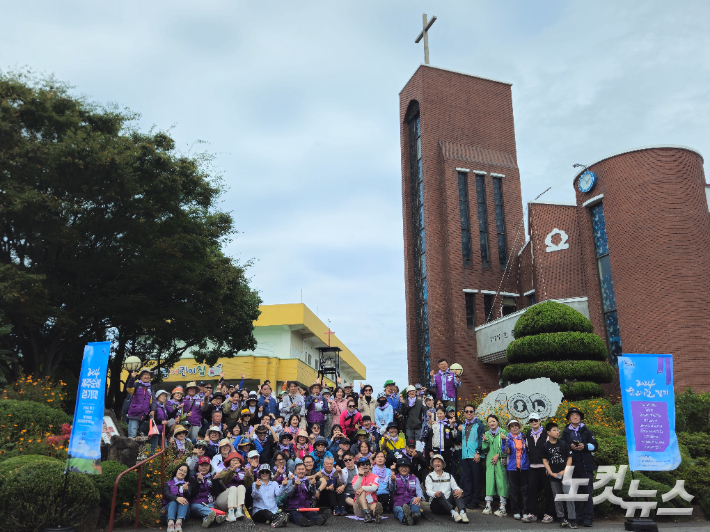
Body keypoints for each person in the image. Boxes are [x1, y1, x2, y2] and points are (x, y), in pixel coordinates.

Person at [561, 407, 597, 528]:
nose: (575, 417)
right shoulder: (566, 432)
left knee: (587, 492)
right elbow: (561, 447)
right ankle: (577, 516)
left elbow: (595, 446)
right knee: (574, 492)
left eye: (577, 415)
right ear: (569, 418)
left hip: (586, 465)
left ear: (580, 417)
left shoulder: (587, 430)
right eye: (572, 415)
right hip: (572, 465)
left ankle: (588, 517)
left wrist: (585, 446)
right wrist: (570, 446)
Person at [541, 422, 576, 528]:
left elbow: (569, 458)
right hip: (553, 475)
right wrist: (551, 473)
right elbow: (545, 461)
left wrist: (564, 471)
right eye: (554, 430)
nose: (557, 432)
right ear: (548, 432)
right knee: (557, 497)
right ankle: (561, 519)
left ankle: (572, 519)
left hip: (565, 474)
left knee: (569, 496)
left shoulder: (563, 443)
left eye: (557, 430)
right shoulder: (545, 446)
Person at [526, 412, 554, 524]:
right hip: (533, 467)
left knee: (548, 491)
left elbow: (550, 451)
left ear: (540, 421)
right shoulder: (528, 434)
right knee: (532, 490)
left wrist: (549, 467)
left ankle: (549, 514)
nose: (533, 422)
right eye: (531, 421)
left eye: (535, 420)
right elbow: (527, 449)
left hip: (545, 467)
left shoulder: (546, 434)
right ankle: (532, 513)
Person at [425, 454, 468, 523]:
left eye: (439, 461)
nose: (437, 463)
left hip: (448, 503)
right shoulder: (429, 476)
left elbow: (455, 487)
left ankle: (462, 512)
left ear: (442, 464)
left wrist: (460, 491)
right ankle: (453, 513)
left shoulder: (449, 475)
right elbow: (428, 491)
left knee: (456, 491)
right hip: (437, 506)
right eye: (435, 461)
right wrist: (435, 494)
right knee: (439, 494)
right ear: (432, 464)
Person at [481, 414, 508, 517]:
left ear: (497, 422)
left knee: (502, 481)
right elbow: (484, 448)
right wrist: (485, 441)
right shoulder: (487, 434)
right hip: (490, 461)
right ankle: (488, 505)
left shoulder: (503, 432)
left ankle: (503, 507)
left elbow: (506, 448)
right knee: (489, 481)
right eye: (490, 422)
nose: (492, 423)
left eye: (493, 421)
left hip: (500, 461)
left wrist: (499, 455)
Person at [459, 404, 485, 510]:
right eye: (467, 411)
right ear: (464, 413)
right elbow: (458, 440)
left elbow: (481, 439)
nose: (469, 413)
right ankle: (468, 499)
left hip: (475, 455)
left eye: (471, 411)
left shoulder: (478, 424)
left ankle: (475, 501)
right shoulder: (463, 425)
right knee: (467, 479)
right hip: (465, 456)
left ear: (474, 412)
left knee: (476, 479)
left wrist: (478, 452)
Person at [214, 451, 252, 521]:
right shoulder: (224, 471)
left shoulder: (242, 472)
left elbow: (248, 484)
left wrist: (248, 475)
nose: (236, 461)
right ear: (229, 462)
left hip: (235, 501)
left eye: (238, 460)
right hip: (223, 500)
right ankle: (230, 513)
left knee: (241, 487)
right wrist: (232, 470)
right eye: (233, 460)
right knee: (233, 488)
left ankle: (239, 510)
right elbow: (224, 479)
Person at [189, 456, 226, 527]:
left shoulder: (212, 478)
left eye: (206, 465)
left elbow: (215, 493)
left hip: (209, 503)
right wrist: (198, 482)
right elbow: (192, 493)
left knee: (209, 517)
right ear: (198, 467)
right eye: (202, 465)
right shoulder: (192, 478)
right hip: (196, 504)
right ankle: (217, 515)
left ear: (209, 467)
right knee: (199, 508)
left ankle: (207, 520)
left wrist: (215, 481)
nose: (204, 467)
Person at [504, 419, 530, 521]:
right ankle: (515, 511)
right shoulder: (508, 438)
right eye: (512, 426)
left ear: (519, 427)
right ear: (509, 428)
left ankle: (525, 511)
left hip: (524, 467)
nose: (514, 428)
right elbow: (505, 451)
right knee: (513, 490)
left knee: (525, 490)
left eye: (516, 426)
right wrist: (506, 440)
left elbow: (528, 451)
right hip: (512, 467)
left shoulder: (524, 438)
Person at [389, 458, 423, 526]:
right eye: (401, 466)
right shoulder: (394, 477)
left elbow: (419, 490)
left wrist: (419, 497)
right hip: (398, 503)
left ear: (409, 468)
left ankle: (415, 515)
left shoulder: (415, 478)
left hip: (410, 501)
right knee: (398, 510)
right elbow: (391, 489)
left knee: (415, 500)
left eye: (406, 467)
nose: (404, 468)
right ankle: (405, 519)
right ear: (398, 468)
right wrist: (393, 482)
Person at [161, 463, 193, 532]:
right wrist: (177, 498)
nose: (182, 472)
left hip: (183, 514)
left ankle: (178, 523)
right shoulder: (168, 484)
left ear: (186, 474)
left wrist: (186, 490)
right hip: (166, 514)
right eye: (181, 470)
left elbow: (188, 496)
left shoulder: (187, 485)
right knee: (173, 502)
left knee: (184, 501)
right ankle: (170, 523)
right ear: (176, 470)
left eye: (185, 472)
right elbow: (166, 495)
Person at [352, 457, 383, 523]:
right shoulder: (355, 477)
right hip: (359, 506)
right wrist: (360, 476)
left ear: (370, 466)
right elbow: (355, 488)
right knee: (362, 492)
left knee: (375, 506)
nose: (365, 465)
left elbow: (374, 488)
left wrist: (363, 487)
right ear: (359, 467)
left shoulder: (375, 476)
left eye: (367, 463)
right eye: (362, 464)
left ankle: (377, 514)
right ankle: (366, 513)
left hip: (371, 502)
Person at [125, 368, 154, 438]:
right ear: (141, 376)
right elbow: (129, 388)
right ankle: (130, 449)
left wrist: (153, 410)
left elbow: (153, 401)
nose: (147, 376)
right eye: (145, 374)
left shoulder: (150, 388)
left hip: (145, 416)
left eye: (148, 375)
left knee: (143, 437)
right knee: (132, 436)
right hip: (134, 414)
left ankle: (140, 449)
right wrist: (132, 378)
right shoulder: (136, 385)